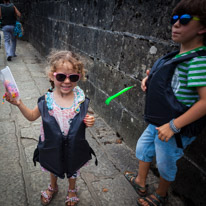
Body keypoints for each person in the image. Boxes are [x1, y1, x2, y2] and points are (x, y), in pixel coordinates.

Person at [124, 0, 206, 205]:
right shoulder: (177, 55)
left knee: (165, 162)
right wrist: (148, 81)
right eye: (174, 20)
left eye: (185, 20)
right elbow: (166, 80)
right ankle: (140, 181)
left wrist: (174, 126)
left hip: (175, 127)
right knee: (143, 148)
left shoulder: (198, 62)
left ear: (202, 28)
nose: (176, 25)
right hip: (159, 121)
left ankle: (161, 194)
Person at [5, 50, 96, 206]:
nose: (67, 81)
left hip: (73, 144)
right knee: (53, 165)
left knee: (73, 166)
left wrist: (90, 120)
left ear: (79, 77)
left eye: (73, 77)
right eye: (61, 76)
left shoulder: (80, 99)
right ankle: (53, 187)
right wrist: (19, 104)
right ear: (52, 75)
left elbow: (88, 115)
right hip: (52, 143)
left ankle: (72, 189)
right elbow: (32, 116)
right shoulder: (46, 100)